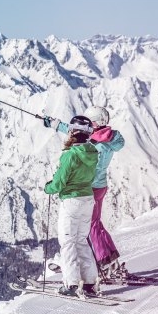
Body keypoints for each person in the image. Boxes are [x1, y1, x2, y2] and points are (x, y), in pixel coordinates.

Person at [44, 106, 126, 281]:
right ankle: (107, 260)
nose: (88, 125)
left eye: (90, 122)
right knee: (94, 224)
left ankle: (103, 262)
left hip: (89, 187)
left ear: (96, 123)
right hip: (100, 186)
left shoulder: (97, 143)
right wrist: (55, 124)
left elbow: (78, 132)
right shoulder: (107, 137)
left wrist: (58, 125)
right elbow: (77, 130)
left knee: (89, 227)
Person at [42, 115, 100, 297]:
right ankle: (90, 283)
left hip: (72, 202)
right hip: (87, 200)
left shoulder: (70, 155)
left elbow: (58, 184)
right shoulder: (92, 152)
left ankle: (71, 284)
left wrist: (48, 187)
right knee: (81, 241)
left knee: (68, 243)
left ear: (73, 131)